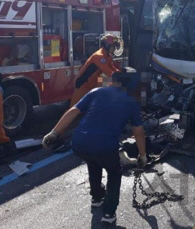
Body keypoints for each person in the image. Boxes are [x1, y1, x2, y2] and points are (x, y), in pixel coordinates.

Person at [43, 73, 146, 225]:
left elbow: (73, 111)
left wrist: (55, 132)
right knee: (114, 172)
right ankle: (109, 213)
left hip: (79, 143)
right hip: (105, 146)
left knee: (93, 163)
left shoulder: (96, 91)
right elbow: (138, 131)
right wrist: (142, 155)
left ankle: (97, 198)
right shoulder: (131, 101)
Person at [70, 34, 121, 107]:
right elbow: (109, 73)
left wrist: (122, 73)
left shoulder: (108, 57)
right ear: (107, 46)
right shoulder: (99, 56)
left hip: (92, 85)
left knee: (90, 110)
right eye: (114, 46)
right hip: (82, 85)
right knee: (74, 110)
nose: (115, 49)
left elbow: (113, 68)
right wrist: (122, 78)